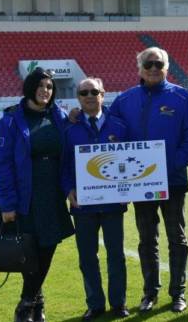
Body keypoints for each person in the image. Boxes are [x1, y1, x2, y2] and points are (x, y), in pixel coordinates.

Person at [109, 47, 188, 313]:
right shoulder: (125, 100)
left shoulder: (182, 97)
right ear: (139, 68)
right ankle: (150, 293)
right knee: (147, 240)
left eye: (158, 63)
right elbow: (109, 131)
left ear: (166, 67)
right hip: (141, 184)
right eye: (148, 64)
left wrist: (173, 163)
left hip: (172, 181)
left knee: (177, 238)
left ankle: (178, 293)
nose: (153, 68)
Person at [0, 67, 75, 322]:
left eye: (49, 87)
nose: (45, 91)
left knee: (47, 248)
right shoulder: (10, 121)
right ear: (29, 88)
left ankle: (31, 300)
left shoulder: (59, 117)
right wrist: (7, 203)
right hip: (23, 196)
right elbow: (0, 165)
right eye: (40, 86)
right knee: (28, 251)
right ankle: (30, 305)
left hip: (51, 195)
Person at [62, 78, 130, 320]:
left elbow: (130, 161)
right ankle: (95, 303)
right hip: (83, 205)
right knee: (87, 257)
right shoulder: (69, 128)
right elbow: (64, 165)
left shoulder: (119, 126)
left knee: (116, 256)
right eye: (84, 92)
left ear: (103, 94)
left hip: (113, 205)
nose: (89, 96)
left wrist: (128, 190)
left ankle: (118, 303)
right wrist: (68, 188)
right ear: (78, 97)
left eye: (94, 91)